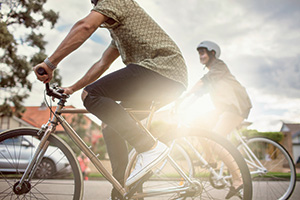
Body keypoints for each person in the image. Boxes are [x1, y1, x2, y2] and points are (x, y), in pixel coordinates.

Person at [33, 0, 187, 199]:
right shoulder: (119, 33)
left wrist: (50, 63)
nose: (93, 3)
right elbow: (102, 64)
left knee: (91, 95)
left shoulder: (116, 1)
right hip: (165, 79)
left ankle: (150, 147)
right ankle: (123, 189)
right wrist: (71, 88)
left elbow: (85, 26)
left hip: (162, 70)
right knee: (109, 124)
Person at [185, 41, 252, 199]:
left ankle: (238, 180)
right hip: (224, 108)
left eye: (204, 53)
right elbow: (199, 93)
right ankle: (211, 160)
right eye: (199, 53)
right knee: (197, 123)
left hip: (236, 105)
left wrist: (184, 95)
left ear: (213, 53)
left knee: (215, 140)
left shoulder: (219, 66)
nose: (201, 56)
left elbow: (203, 81)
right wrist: (183, 106)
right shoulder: (212, 74)